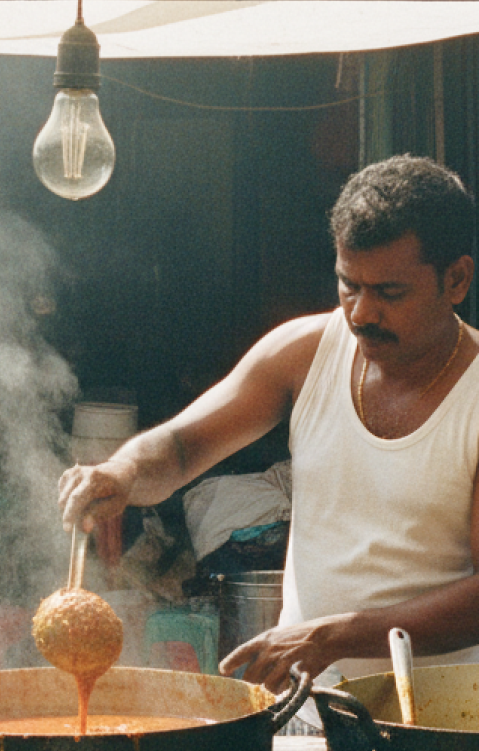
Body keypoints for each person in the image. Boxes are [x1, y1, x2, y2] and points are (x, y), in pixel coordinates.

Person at [59, 154, 479, 694]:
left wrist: (332, 637)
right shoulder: (303, 352)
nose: (361, 314)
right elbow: (185, 447)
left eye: (389, 293)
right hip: (308, 705)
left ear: (457, 279)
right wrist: (121, 472)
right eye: (349, 285)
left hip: (445, 721)